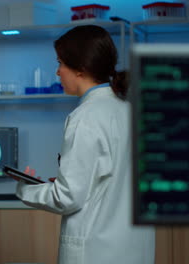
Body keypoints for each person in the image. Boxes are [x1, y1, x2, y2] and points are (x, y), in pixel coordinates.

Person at [15, 25, 156, 264]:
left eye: (60, 63)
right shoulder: (132, 109)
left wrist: (25, 189)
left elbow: (67, 197)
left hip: (94, 251)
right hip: (134, 249)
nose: (58, 72)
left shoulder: (86, 117)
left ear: (80, 69)